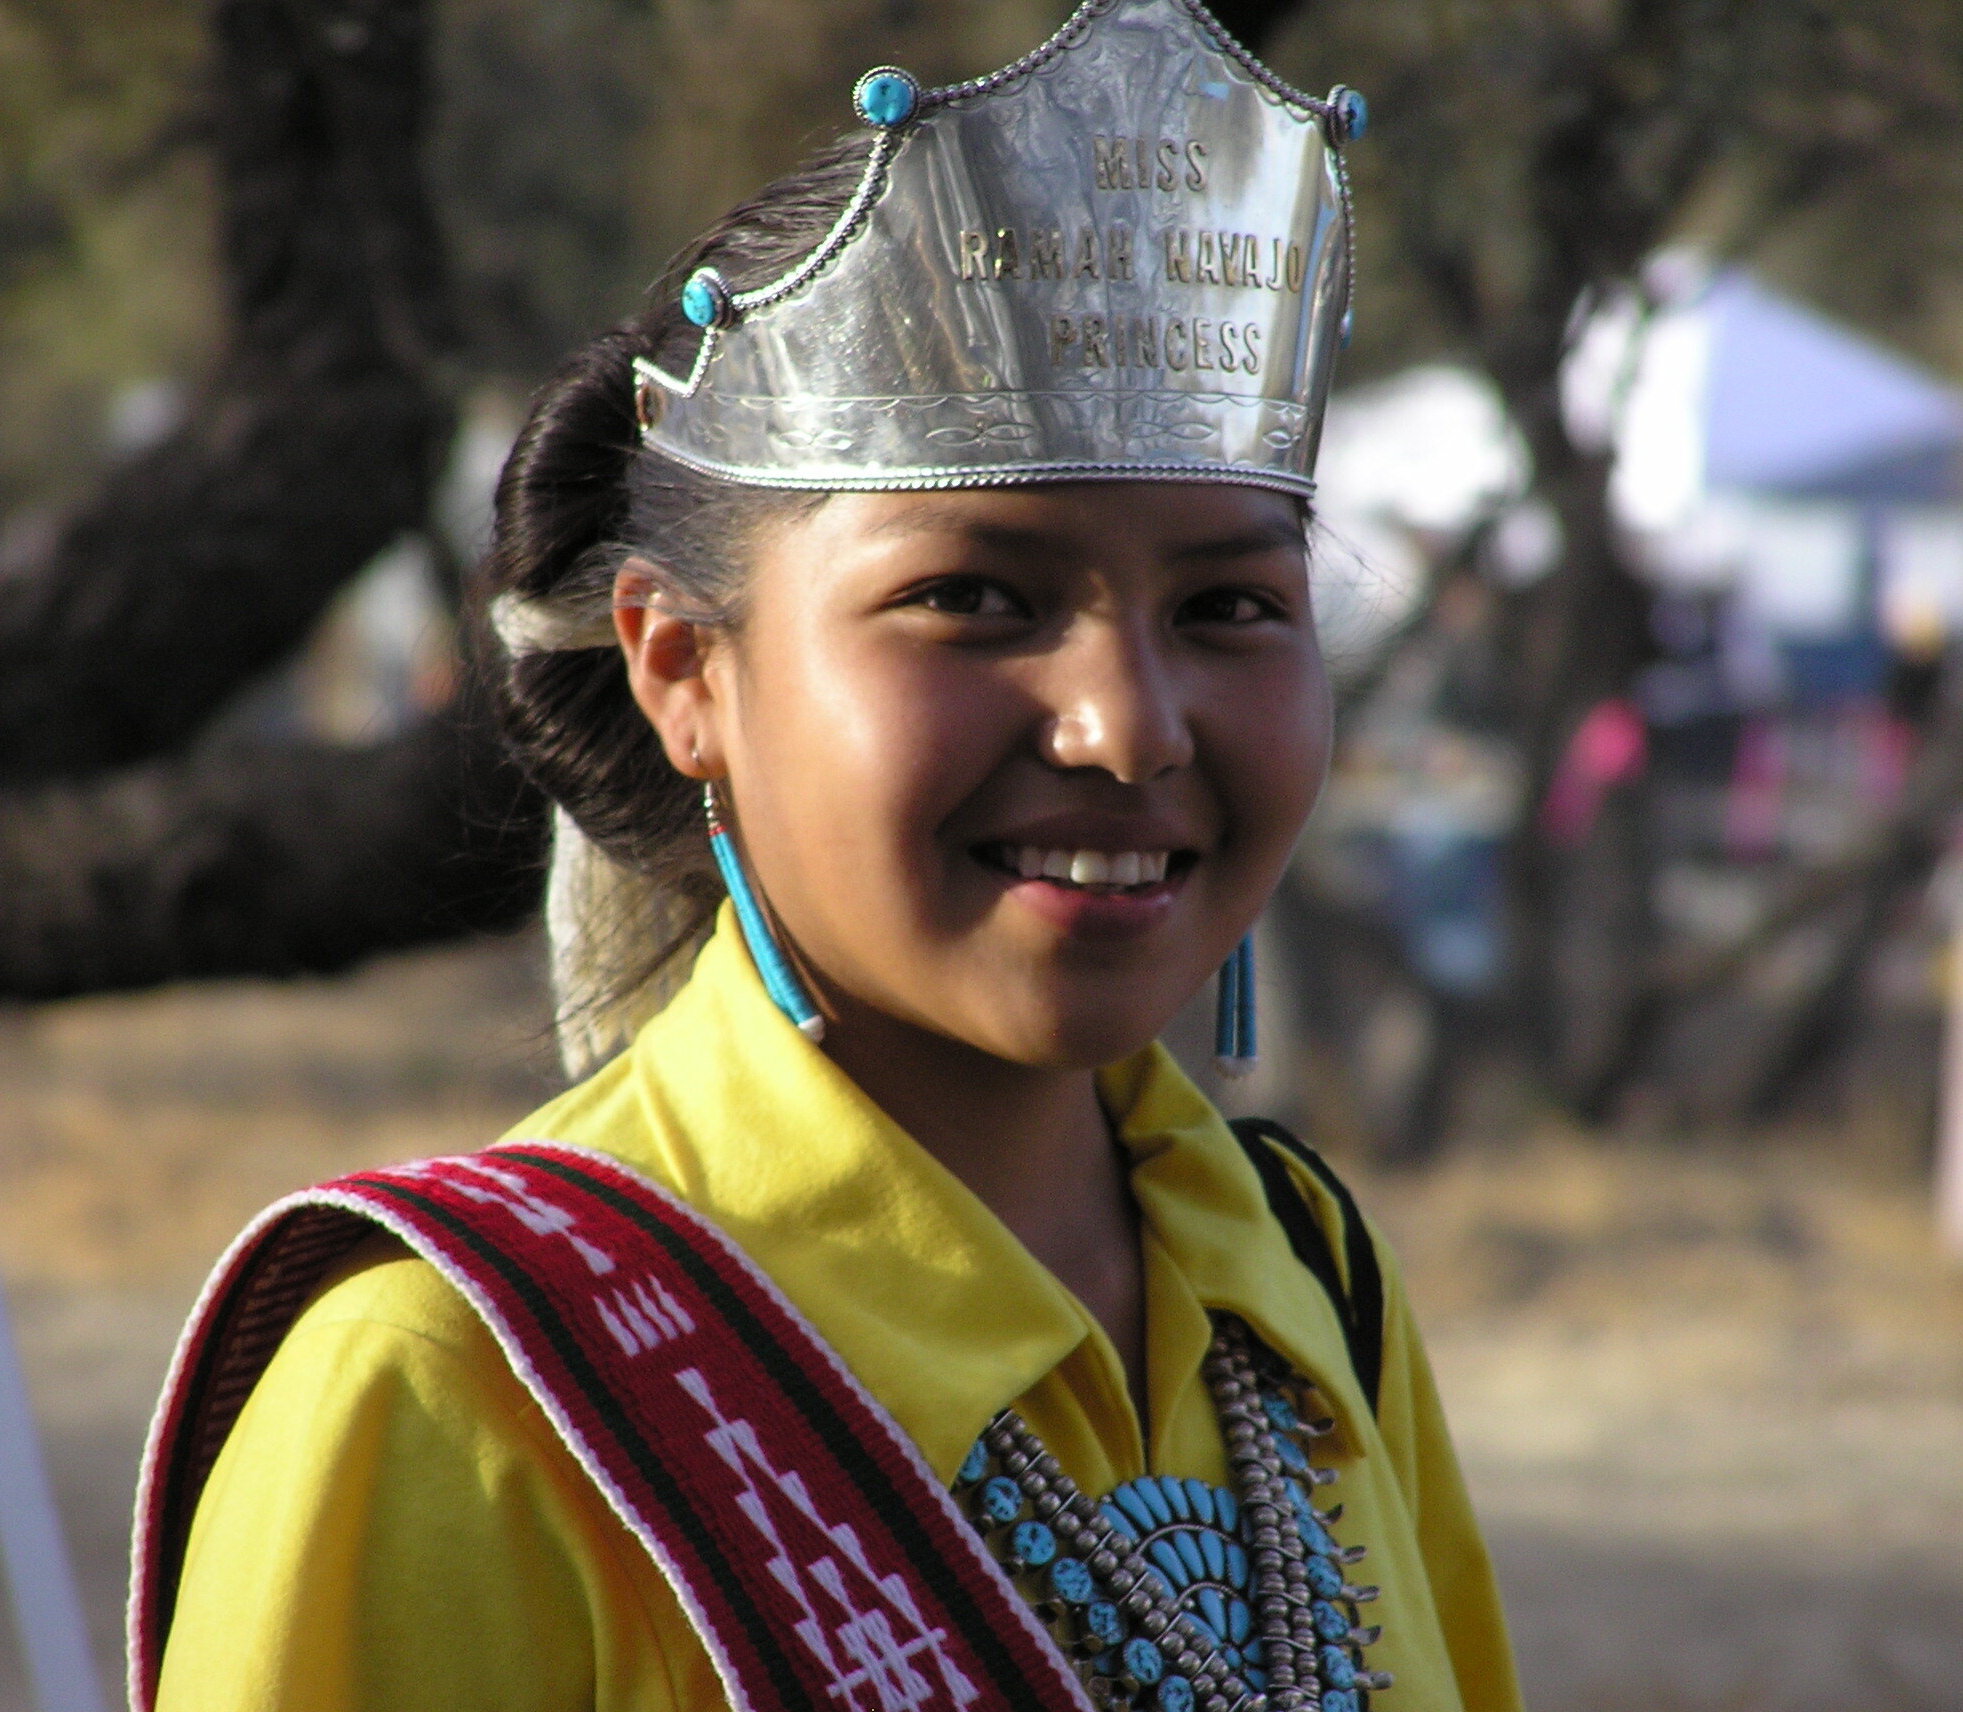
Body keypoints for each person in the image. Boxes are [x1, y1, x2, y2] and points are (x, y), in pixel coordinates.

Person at [132, 5, 1523, 1710]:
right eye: (973, 599)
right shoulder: (457, 1395)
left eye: (1231, 606)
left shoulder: (1307, 1298)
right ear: (682, 670)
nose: (1130, 727)